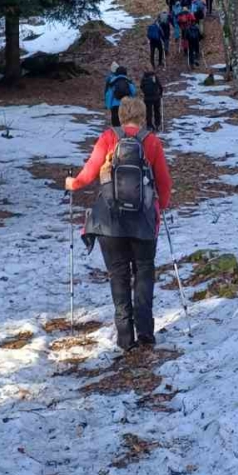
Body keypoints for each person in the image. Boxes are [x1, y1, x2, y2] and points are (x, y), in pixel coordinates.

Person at [65, 96, 172, 351]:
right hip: (143, 221)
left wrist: (73, 183)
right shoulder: (151, 141)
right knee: (144, 271)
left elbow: (89, 172)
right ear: (143, 115)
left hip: (110, 223)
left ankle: (125, 337)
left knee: (119, 275)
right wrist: (161, 206)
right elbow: (164, 182)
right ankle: (146, 331)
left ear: (121, 116)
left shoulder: (108, 138)